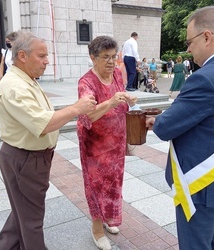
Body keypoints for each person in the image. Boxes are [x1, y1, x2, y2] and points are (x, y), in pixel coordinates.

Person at [146, 6, 214, 249]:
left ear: (206, 37)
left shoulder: (205, 77)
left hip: (200, 184)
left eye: (189, 42)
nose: (188, 49)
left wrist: (160, 120)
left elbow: (165, 129)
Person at [0, 30, 97, 250]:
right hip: (26, 159)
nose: (47, 61)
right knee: (31, 219)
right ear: (22, 56)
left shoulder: (25, 79)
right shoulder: (15, 85)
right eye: (41, 56)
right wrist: (76, 109)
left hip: (28, 157)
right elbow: (42, 124)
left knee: (22, 209)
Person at [77, 35, 137, 250]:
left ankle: (108, 217)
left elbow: (120, 99)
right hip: (95, 146)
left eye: (114, 56)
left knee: (113, 184)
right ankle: (97, 230)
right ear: (92, 57)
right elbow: (87, 116)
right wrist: (111, 102)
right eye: (105, 57)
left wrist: (127, 100)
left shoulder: (117, 74)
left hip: (116, 142)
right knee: (96, 187)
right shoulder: (86, 83)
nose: (111, 62)